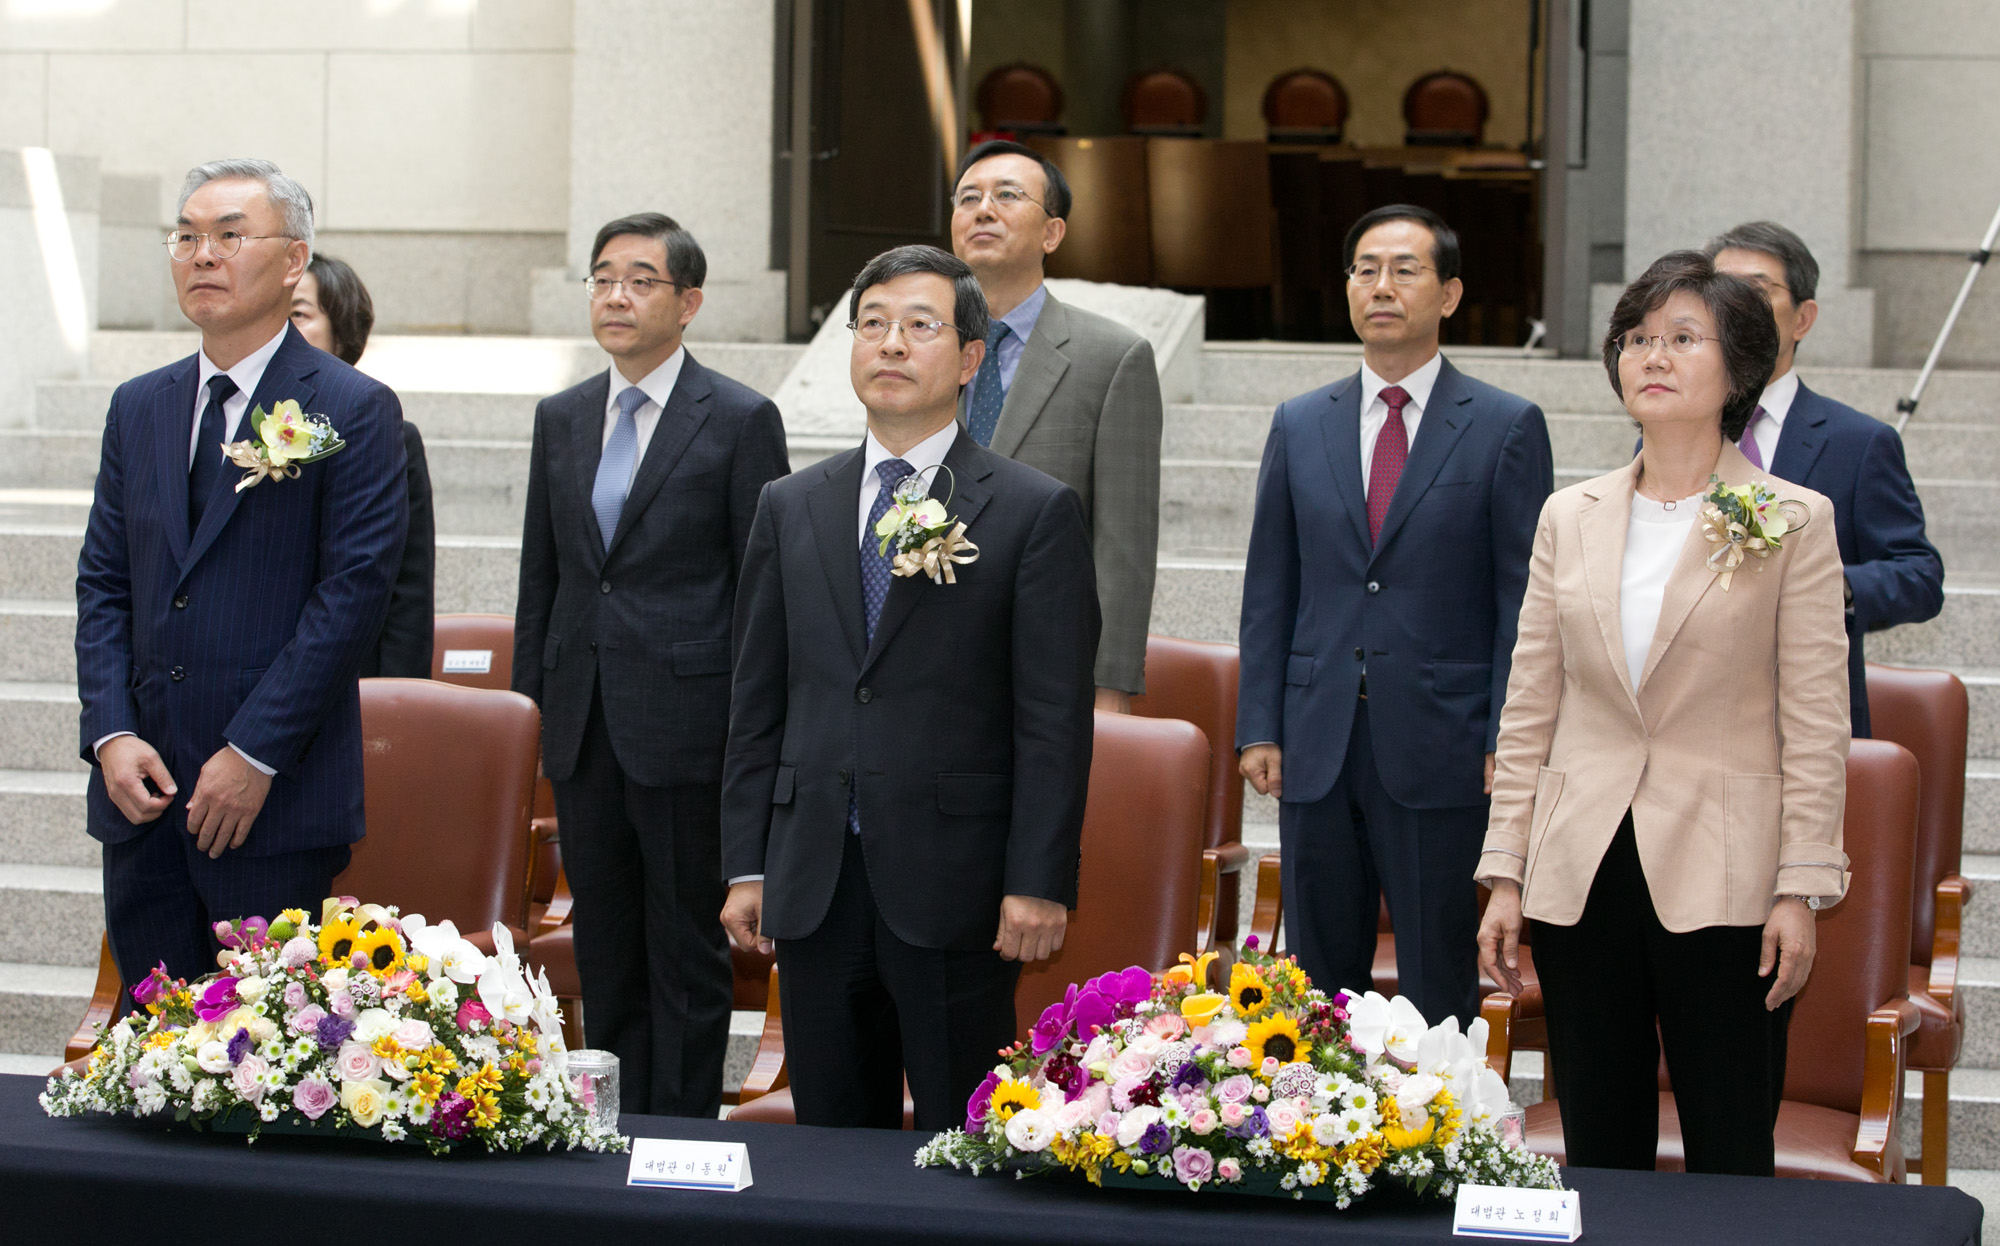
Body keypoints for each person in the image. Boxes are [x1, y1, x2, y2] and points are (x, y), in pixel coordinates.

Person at [1477, 251, 1851, 1177]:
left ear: (1742, 369)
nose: (1654, 355)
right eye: (1638, 338)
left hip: (1728, 873)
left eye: (1684, 339)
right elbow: (1531, 706)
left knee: (1728, 1144)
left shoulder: (1791, 518)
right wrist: (1506, 871)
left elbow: (1815, 723)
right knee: (1597, 1144)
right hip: (1582, 864)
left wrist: (1798, 888)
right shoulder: (1572, 514)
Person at [719, 245, 1098, 1130]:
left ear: (970, 359)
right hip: (812, 880)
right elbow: (758, 699)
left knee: (959, 1143)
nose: (891, 344)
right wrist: (747, 861)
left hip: (955, 886)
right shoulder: (790, 503)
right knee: (830, 1144)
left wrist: (1038, 880)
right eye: (873, 325)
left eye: (920, 326)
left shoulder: (1032, 511)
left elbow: (1052, 720)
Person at [75, 158, 408, 1002]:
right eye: (185, 236)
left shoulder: (350, 408)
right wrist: (112, 733)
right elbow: (105, 583)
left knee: (259, 1067)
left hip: (271, 799)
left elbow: (352, 596)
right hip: (143, 795)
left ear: (294, 259)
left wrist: (254, 751)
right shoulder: (138, 405)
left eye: (229, 235)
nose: (202, 255)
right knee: (150, 1053)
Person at [1235, 204, 1552, 1028]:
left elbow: (1523, 601)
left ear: (1449, 294)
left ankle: (1436, 1146)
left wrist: (1503, 739)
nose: (1382, 286)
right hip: (1317, 737)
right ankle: (1319, 1145)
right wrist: (1259, 724)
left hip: (1443, 742)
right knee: (1315, 980)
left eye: (1405, 270)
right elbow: (1271, 585)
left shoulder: (1505, 426)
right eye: (1365, 269)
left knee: (1438, 977)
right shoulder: (1300, 422)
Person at [512, 212, 789, 1118]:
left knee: (685, 946)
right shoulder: (561, 416)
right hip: (584, 722)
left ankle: (681, 1134)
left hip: (688, 726)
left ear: (689, 302)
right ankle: (613, 1123)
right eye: (601, 279)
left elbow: (762, 593)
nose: (616, 296)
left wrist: (755, 734)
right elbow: (542, 579)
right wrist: (532, 715)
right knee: (606, 947)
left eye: (639, 279)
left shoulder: (741, 418)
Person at [1703, 221, 1943, 737]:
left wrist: (1833, 586)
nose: (1737, 308)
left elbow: (1919, 576)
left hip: (1807, 724)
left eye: (1758, 291)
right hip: (1692, 721)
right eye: (1721, 291)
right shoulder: (1674, 435)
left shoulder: (1858, 443)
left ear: (1803, 318)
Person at [949, 139, 1161, 707]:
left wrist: (1109, 689)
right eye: (968, 198)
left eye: (1008, 196)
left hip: (1046, 668)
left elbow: (1125, 545)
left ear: (1052, 234)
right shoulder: (920, 345)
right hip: (926, 659)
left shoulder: (1113, 357)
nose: (983, 209)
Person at [291, 252, 436, 680]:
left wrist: (396, 699)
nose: (280, 329)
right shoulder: (237, 432)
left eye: (298, 313)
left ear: (341, 330)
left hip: (348, 679)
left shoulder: (388, 435)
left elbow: (407, 592)